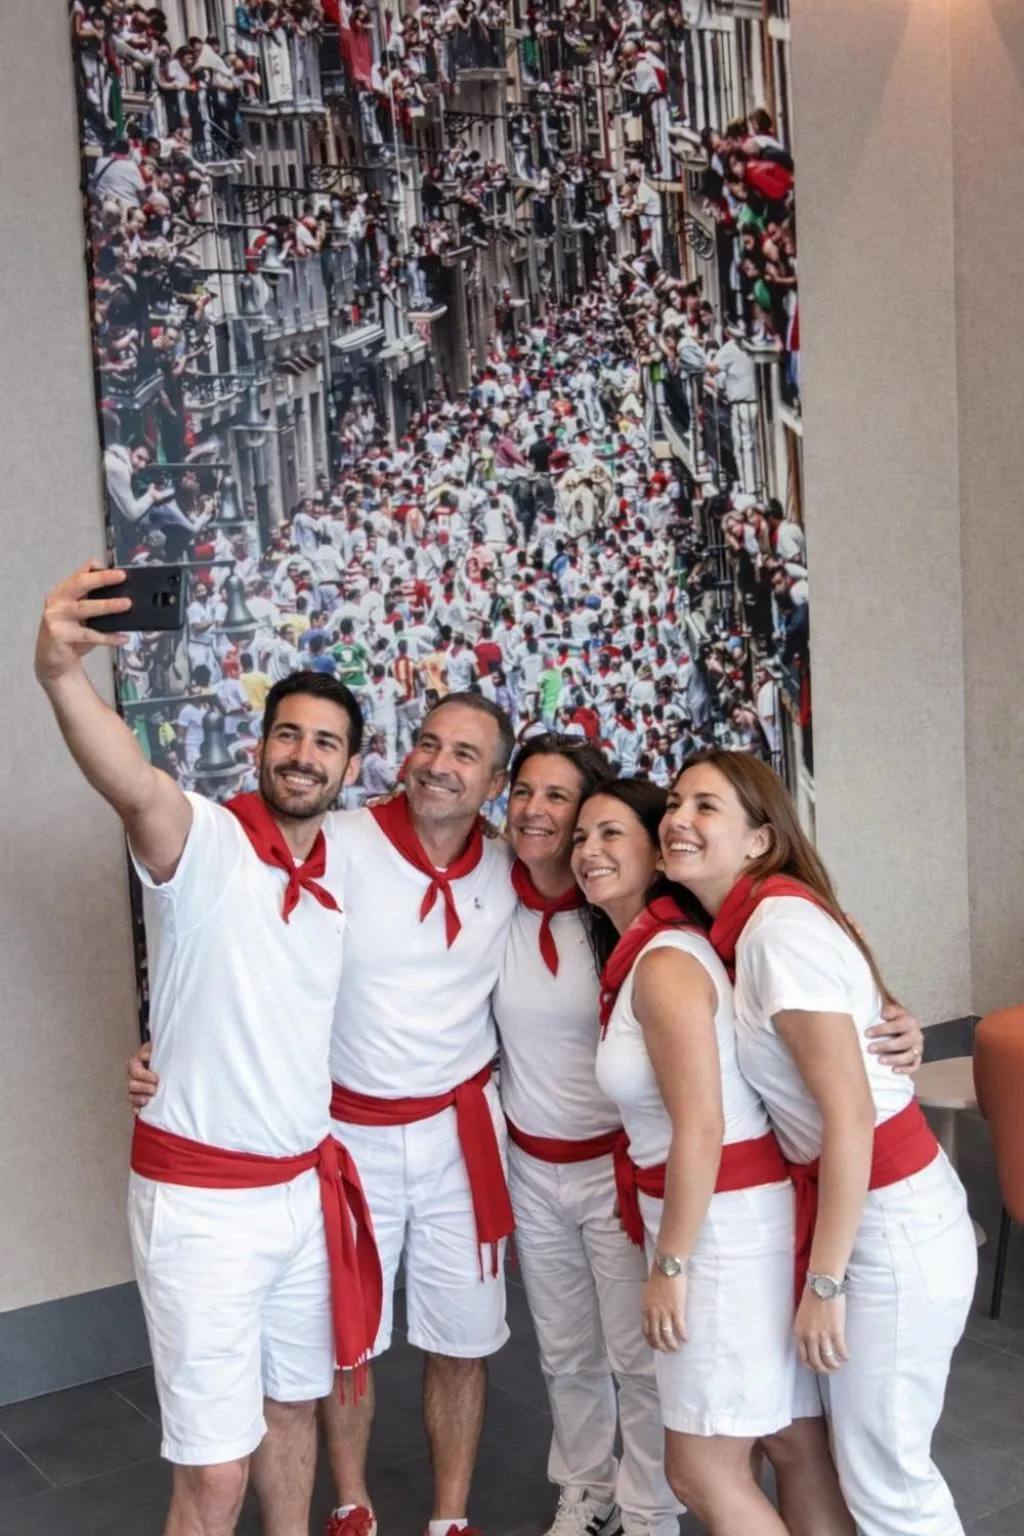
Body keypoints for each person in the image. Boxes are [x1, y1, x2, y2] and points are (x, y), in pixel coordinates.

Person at [37, 563, 381, 1536]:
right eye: (288, 735)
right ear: (260, 746)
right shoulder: (206, 844)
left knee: (289, 1414)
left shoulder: (344, 870)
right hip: (203, 1211)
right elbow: (133, 781)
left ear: (350, 767)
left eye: (326, 742)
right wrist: (62, 676)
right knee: (214, 1473)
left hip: (299, 1198)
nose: (304, 755)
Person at [663, 750, 976, 1536]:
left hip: (886, 1222)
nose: (677, 820)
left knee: (888, 1482)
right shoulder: (758, 922)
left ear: (760, 840)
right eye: (674, 802)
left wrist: (825, 1285)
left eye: (706, 807)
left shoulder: (774, 933)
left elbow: (851, 1117)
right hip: (873, 1207)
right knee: (867, 1464)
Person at [575, 778, 852, 1536]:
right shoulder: (666, 950)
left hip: (718, 1227)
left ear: (655, 859)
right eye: (580, 839)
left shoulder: (665, 963)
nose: (589, 853)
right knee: (791, 1441)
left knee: (700, 1470)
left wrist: (671, 1267)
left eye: (611, 835)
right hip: (736, 1215)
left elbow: (699, 1127)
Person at [320, 693, 519, 1536]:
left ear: (496, 781)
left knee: (463, 1341)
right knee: (346, 1339)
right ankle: (350, 1503)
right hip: (347, 1133)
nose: (440, 763)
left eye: (466, 754)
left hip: (460, 1138)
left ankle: (450, 1518)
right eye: (430, 744)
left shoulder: (514, 869)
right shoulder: (338, 845)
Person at [495, 736, 680, 1536]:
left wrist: (882, 1010)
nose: (537, 811)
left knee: (636, 1357)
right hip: (530, 1167)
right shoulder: (485, 893)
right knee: (565, 1352)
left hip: (615, 1170)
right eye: (524, 791)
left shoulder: (620, 916)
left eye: (559, 798)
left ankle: (648, 1507)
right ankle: (585, 1488)